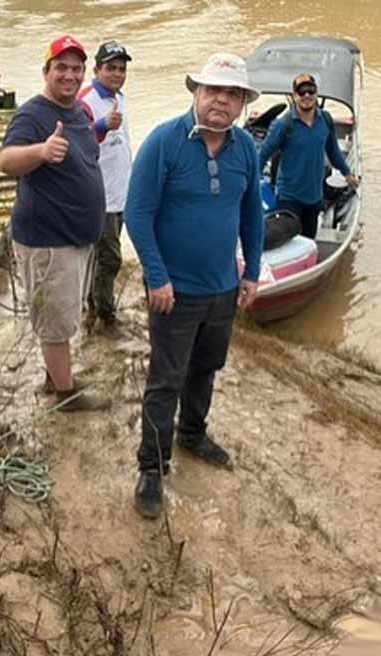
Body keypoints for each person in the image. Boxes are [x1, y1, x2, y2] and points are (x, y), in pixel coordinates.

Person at [125, 53, 264, 519]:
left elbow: (251, 214)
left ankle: (192, 434)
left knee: (206, 368)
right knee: (165, 378)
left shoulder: (245, 147)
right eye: (213, 90)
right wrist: (157, 277)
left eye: (232, 94)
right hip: (174, 292)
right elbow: (137, 214)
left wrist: (252, 272)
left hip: (223, 288)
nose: (222, 100)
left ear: (243, 102)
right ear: (196, 93)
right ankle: (152, 465)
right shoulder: (163, 142)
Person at [0, 35, 110, 411]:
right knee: (55, 322)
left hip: (74, 238)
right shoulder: (32, 114)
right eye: (61, 67)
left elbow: (87, 152)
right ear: (46, 71)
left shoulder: (78, 111)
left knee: (61, 314)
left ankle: (54, 376)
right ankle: (65, 396)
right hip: (48, 240)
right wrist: (41, 152)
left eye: (77, 68)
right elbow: (7, 160)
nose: (69, 75)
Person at [257, 73, 359, 238]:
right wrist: (251, 184)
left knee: (309, 240)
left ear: (316, 92)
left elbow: (333, 151)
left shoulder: (325, 119)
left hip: (314, 197)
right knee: (288, 240)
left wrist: (347, 174)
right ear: (294, 95)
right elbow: (262, 155)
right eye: (301, 91)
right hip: (289, 197)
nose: (306, 96)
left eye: (310, 91)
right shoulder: (283, 124)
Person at [77, 40, 133, 337]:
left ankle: (91, 308)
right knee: (110, 257)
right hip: (99, 197)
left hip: (120, 191)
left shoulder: (119, 97)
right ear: (96, 70)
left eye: (122, 69)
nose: (117, 74)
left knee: (101, 256)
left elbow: (124, 144)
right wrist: (100, 125)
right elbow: (75, 141)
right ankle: (105, 316)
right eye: (110, 68)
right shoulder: (85, 101)